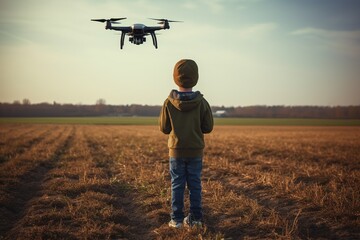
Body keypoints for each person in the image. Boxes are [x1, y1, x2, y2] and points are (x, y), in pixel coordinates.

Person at [159, 59, 214, 229]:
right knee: (195, 185)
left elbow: (164, 128)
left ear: (176, 78)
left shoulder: (169, 102)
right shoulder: (202, 102)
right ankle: (196, 220)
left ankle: (176, 220)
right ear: (195, 77)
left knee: (177, 185)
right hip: (195, 151)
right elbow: (208, 127)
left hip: (176, 150)